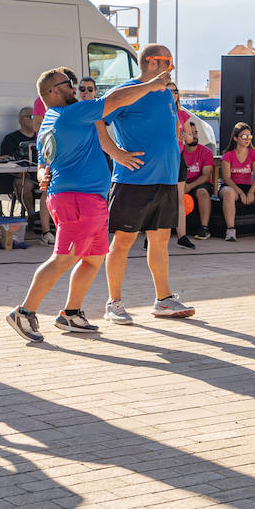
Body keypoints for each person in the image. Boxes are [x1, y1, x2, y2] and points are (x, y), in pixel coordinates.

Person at [6, 68, 170, 342]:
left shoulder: (49, 122)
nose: (75, 88)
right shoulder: (71, 113)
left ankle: (70, 314)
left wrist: (43, 175)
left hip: (85, 199)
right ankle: (23, 312)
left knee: (93, 259)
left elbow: (43, 165)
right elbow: (115, 100)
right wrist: (151, 85)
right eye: (68, 84)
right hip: (77, 200)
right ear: (53, 91)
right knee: (64, 258)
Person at [102, 44, 197, 323]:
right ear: (153, 62)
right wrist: (115, 153)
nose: (172, 68)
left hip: (165, 179)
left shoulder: (166, 93)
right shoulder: (125, 92)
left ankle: (163, 300)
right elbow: (96, 121)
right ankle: (114, 303)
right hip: (133, 180)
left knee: (161, 240)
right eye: (169, 62)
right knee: (123, 241)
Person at [219, 123, 255, 241]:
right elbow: (227, 178)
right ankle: (230, 230)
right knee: (229, 193)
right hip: (231, 187)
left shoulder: (253, 154)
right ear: (235, 138)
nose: (247, 139)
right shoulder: (228, 155)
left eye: (249, 136)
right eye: (244, 136)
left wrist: (251, 191)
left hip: (248, 186)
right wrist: (240, 193)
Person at [0, 106, 49, 235]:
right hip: (22, 176)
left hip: (42, 175)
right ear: (21, 119)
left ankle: (52, 220)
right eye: (31, 117)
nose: (35, 119)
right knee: (23, 185)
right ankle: (32, 216)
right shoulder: (11, 139)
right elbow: (5, 161)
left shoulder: (42, 137)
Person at [169, 82, 197, 249]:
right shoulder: (157, 112)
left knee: (179, 199)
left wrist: (186, 136)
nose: (173, 94)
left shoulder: (182, 114)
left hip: (178, 159)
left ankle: (182, 236)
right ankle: (151, 235)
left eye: (175, 91)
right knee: (161, 198)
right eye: (170, 91)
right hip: (163, 159)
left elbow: (191, 139)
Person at [180, 121, 216, 240]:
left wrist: (189, 186)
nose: (194, 136)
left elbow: (206, 175)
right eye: (191, 133)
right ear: (183, 135)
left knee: (202, 192)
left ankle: (204, 228)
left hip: (199, 183)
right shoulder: (178, 151)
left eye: (196, 132)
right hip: (181, 183)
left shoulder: (206, 152)